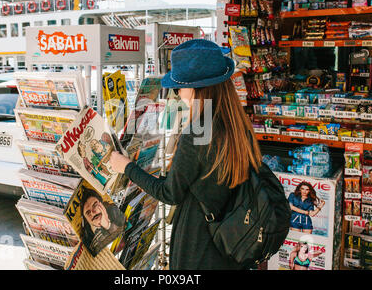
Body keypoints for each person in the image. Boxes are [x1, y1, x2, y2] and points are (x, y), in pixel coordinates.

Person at [109, 39, 262, 270]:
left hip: (200, 243)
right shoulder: (236, 123)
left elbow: (170, 193)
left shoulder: (198, 132)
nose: (177, 92)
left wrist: (127, 167)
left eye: (179, 86)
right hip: (230, 241)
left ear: (196, 88)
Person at [80, 188, 125, 256]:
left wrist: (108, 225)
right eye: (88, 212)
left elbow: (125, 228)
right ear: (86, 219)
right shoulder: (86, 235)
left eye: (95, 205)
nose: (93, 212)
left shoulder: (114, 211)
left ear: (102, 204)